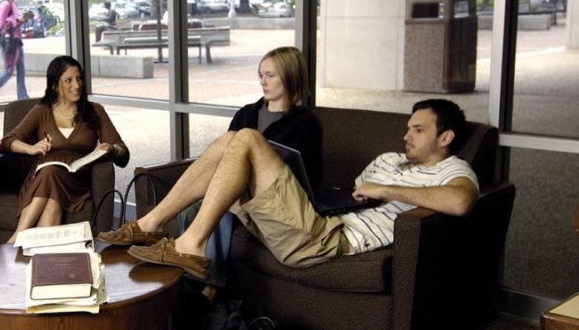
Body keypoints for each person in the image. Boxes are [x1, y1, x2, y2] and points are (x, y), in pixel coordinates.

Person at [103, 99, 479, 278]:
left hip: (327, 239)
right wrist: (362, 190)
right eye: (408, 127)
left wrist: (387, 190)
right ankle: (150, 224)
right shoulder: (390, 159)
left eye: (418, 130)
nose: (406, 135)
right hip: (320, 217)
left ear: (445, 137)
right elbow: (355, 195)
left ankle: (190, 246)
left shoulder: (452, 170)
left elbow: (461, 202)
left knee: (248, 138)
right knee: (231, 139)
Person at [100, 47, 322, 298]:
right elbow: (225, 165)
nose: (262, 82)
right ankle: (156, 229)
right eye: (260, 75)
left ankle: (207, 290)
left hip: (270, 201)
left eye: (270, 75)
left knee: (217, 206)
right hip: (235, 191)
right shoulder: (247, 113)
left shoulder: (306, 124)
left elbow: (305, 183)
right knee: (211, 180)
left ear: (290, 76)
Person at [2, 55, 129, 243]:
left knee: (50, 175)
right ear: (54, 85)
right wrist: (30, 148)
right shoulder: (41, 111)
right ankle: (39, 254)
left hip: (76, 179)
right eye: (68, 80)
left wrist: (110, 148)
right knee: (52, 196)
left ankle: (16, 239)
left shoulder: (95, 111)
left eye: (78, 78)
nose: (76, 85)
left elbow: (123, 153)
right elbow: (9, 140)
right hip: (42, 178)